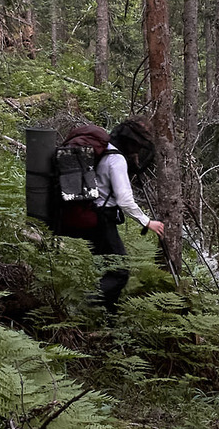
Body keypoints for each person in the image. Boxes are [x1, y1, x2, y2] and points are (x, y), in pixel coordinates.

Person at [59, 118, 164, 310]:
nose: (138, 150)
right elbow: (124, 199)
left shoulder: (104, 152)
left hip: (87, 212)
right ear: (130, 143)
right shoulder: (116, 160)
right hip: (101, 219)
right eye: (137, 145)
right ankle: (86, 309)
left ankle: (104, 313)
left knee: (106, 266)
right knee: (119, 271)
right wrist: (147, 222)